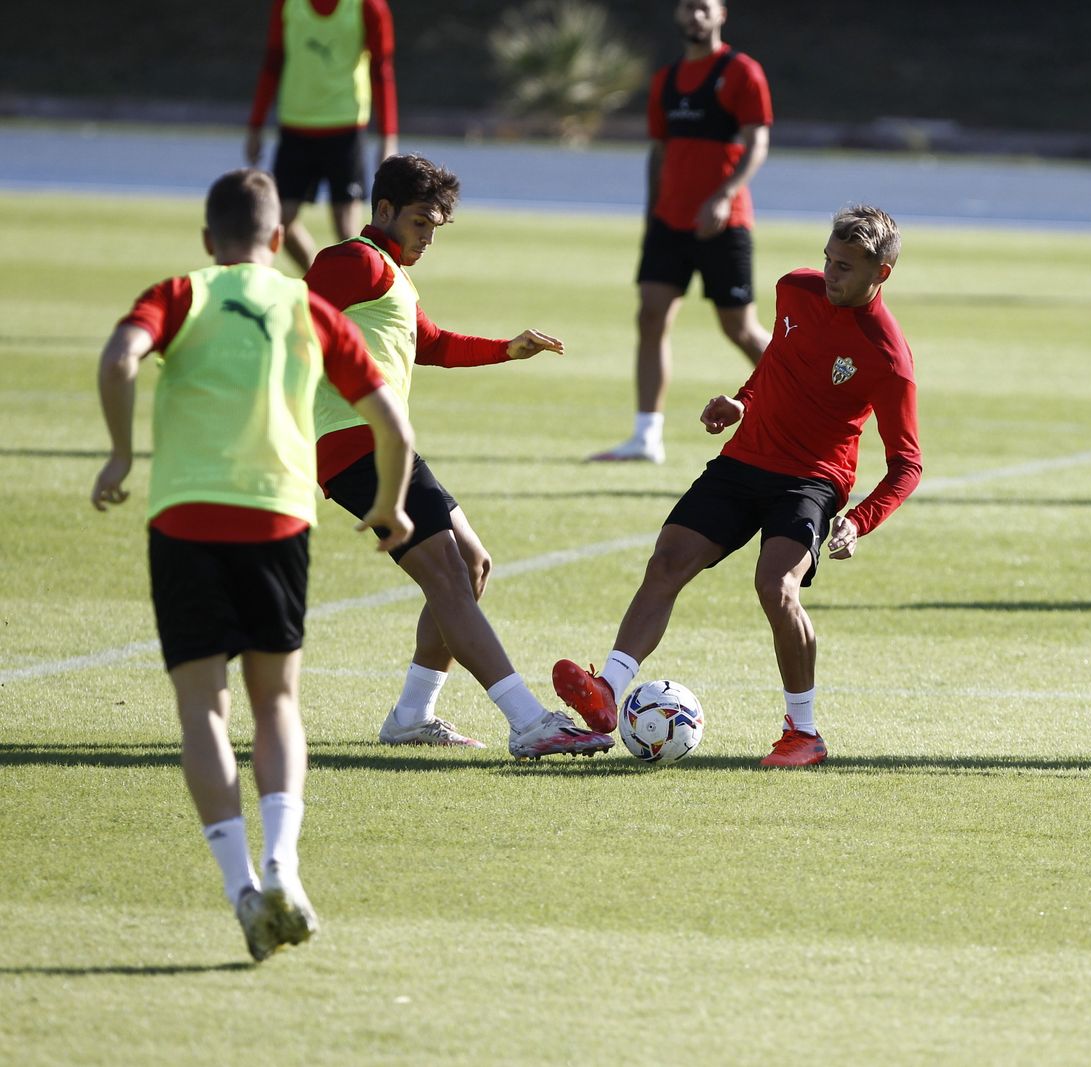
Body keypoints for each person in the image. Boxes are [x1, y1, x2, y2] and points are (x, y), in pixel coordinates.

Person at [91, 169, 416, 961]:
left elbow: (118, 358)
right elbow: (392, 428)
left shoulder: (181, 292)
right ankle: (283, 863)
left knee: (204, 707)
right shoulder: (308, 305)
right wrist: (392, 509)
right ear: (278, 240)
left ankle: (241, 883)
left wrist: (120, 454)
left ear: (209, 240)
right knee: (277, 702)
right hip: (277, 514)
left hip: (184, 514)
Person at [555, 205, 920, 767]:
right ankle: (607, 690)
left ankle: (803, 733)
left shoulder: (888, 357)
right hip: (744, 461)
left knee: (776, 586)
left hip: (811, 481)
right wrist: (741, 400)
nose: (829, 273)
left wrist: (859, 520)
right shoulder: (794, 291)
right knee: (667, 560)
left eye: (844, 267)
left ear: (881, 274)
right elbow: (778, 358)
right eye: (827, 258)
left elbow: (907, 464)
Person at [305, 153, 612, 759]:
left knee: (470, 564)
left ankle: (412, 715)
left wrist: (508, 348)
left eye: (436, 228)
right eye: (420, 222)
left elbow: (434, 344)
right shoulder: (353, 261)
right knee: (448, 573)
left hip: (381, 446)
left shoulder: (388, 270)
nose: (427, 238)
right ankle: (528, 722)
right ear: (385, 210)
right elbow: (294, 323)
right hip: (356, 445)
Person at [590, 0, 774, 464]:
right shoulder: (666, 80)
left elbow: (758, 143)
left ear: (721, 14)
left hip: (723, 224)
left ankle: (809, 404)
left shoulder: (742, 72)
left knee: (740, 329)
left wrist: (725, 195)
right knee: (650, 316)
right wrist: (652, 214)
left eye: (704, 8)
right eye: (688, 8)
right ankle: (646, 437)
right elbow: (658, 151)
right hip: (669, 223)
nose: (695, 16)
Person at [246, 0, 400, 274]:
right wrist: (256, 125)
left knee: (346, 231)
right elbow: (272, 61)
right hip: (295, 128)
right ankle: (318, 282)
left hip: (345, 129)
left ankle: (351, 303)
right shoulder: (287, 5)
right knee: (278, 223)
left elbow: (381, 69)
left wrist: (387, 136)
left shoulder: (368, 7)